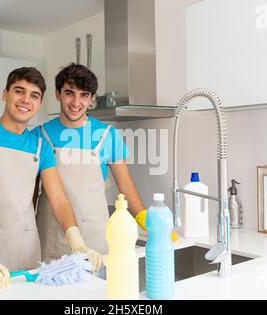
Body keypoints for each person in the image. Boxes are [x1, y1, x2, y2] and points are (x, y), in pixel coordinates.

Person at [0, 67, 102, 289]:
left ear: (40, 103)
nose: (26, 100)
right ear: (5, 94)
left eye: (34, 95)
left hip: (28, 252)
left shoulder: (41, 146)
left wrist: (78, 244)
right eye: (19, 91)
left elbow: (59, 200)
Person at [33, 63, 177, 261]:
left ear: (91, 99)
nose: (76, 102)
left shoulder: (108, 136)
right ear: (58, 94)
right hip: (51, 237)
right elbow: (31, 190)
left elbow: (125, 185)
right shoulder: (39, 135)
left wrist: (147, 221)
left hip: (95, 238)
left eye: (84, 95)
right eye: (69, 93)